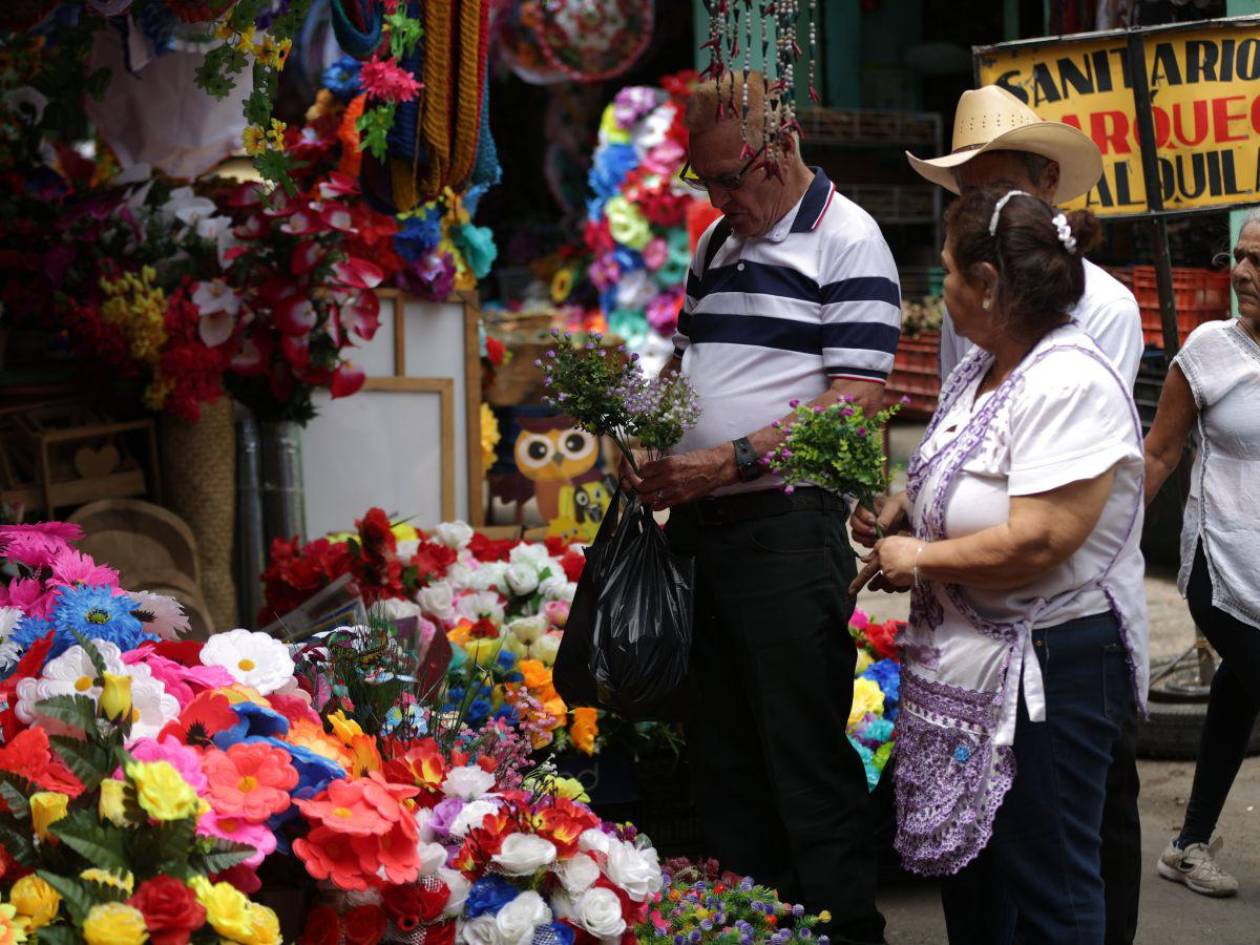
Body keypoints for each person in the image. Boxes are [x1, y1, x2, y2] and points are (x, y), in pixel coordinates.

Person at [624, 71, 897, 945]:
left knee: (802, 752)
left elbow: (856, 394)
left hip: (785, 533)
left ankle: (844, 927)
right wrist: (646, 428)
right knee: (724, 752)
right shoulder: (716, 243)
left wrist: (724, 459)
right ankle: (750, 924)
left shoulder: (849, 240)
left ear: (780, 149)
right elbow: (686, 360)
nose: (717, 197)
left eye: (729, 177)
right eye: (701, 181)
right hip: (707, 530)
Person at [854, 189, 1148, 945]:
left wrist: (919, 557)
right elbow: (975, 481)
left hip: (1048, 668)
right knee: (982, 888)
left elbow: (1039, 537)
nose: (939, 289)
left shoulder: (1068, 380)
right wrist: (908, 508)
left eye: (947, 273)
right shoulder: (986, 368)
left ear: (986, 282)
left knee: (1052, 889)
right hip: (972, 670)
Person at [1142, 210, 1260, 898]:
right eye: (1237, 257)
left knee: (1237, 699)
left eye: (1258, 261)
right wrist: (1102, 546)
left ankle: (1187, 844)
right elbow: (1158, 454)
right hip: (1219, 564)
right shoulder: (1210, 350)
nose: (1240, 273)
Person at [909, 85, 1144, 387]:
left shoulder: (1106, 307)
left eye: (1002, 189)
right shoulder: (966, 296)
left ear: (1049, 180)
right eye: (971, 194)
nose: (986, 208)